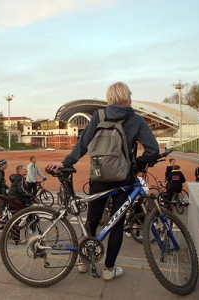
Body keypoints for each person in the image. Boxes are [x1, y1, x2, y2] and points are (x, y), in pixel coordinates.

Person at [49, 81, 159, 281]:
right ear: (127, 98)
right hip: (123, 180)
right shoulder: (136, 120)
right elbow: (153, 150)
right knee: (116, 224)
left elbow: (82, 145)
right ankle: (109, 269)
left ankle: (84, 261)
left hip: (98, 177)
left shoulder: (97, 117)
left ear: (110, 98)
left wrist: (65, 162)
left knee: (92, 220)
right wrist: (136, 164)